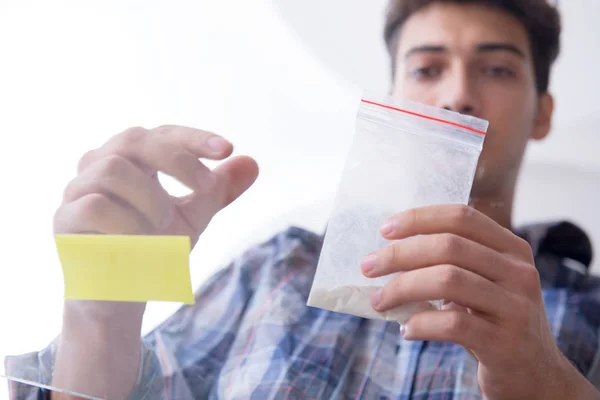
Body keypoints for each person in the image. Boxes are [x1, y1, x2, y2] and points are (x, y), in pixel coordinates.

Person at [7, 0, 600, 399]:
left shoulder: (589, 309)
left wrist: (548, 381)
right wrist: (101, 315)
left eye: (496, 70)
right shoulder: (277, 270)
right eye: (426, 69)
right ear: (393, 96)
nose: (459, 93)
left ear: (543, 114)